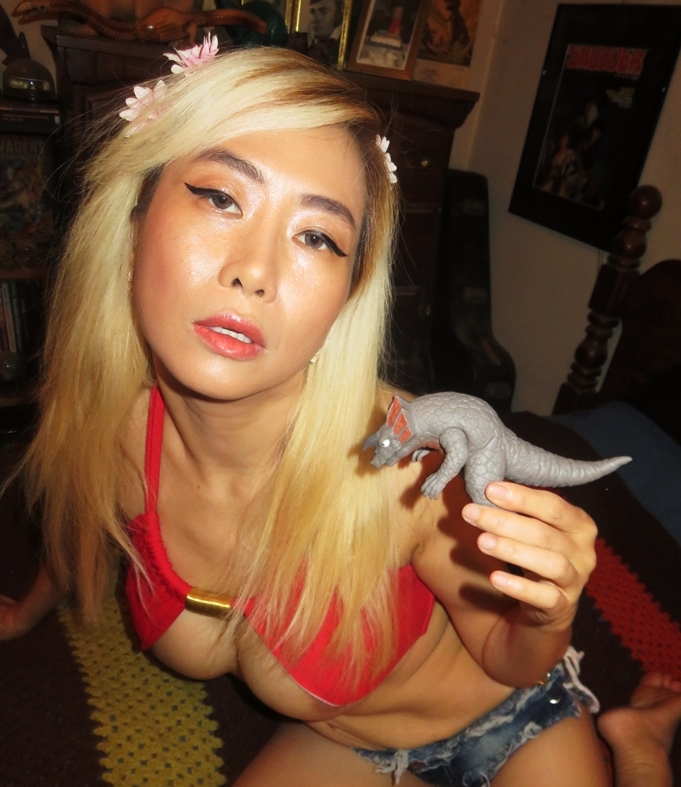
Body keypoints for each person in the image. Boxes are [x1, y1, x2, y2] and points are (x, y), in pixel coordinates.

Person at [0, 44, 679, 786]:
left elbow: (504, 654)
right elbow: (85, 516)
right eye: (221, 197)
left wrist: (548, 616)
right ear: (133, 229)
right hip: (345, 744)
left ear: (343, 304)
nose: (254, 271)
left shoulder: (403, 465)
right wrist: (28, 612)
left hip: (512, 724)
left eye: (317, 237)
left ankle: (640, 742)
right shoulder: (112, 430)